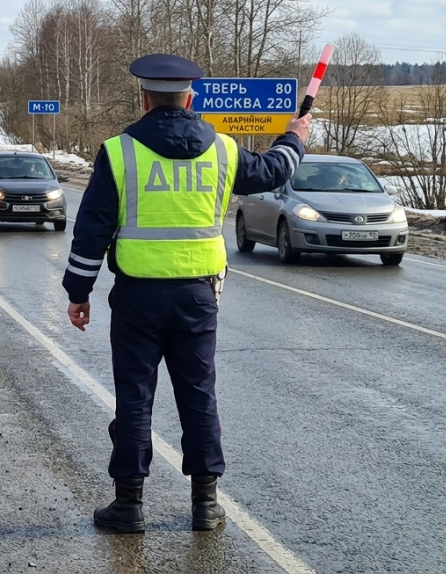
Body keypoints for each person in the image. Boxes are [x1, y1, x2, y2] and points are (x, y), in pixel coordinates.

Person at [62, 54, 311, 533]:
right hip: (199, 298)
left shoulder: (119, 152)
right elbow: (272, 171)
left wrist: (79, 291)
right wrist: (295, 137)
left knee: (135, 399)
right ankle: (205, 505)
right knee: (198, 396)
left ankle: (129, 506)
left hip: (137, 298)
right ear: (191, 99)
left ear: (144, 98)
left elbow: (92, 230)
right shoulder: (223, 150)